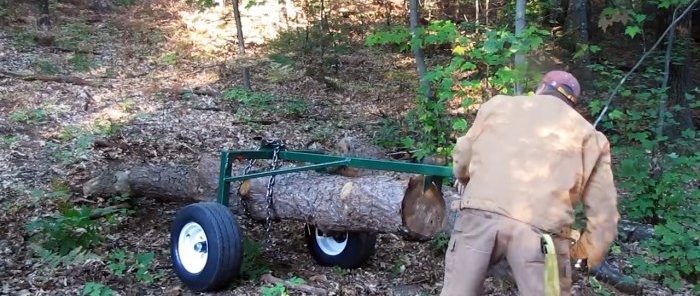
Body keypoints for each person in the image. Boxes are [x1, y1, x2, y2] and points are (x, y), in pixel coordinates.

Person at [440, 70, 620, 296]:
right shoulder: (590, 137)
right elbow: (605, 216)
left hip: (479, 217)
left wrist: (465, 179)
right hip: (541, 234)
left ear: (540, 89)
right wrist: (583, 255)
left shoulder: (498, 106)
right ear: (572, 104)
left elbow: (463, 154)